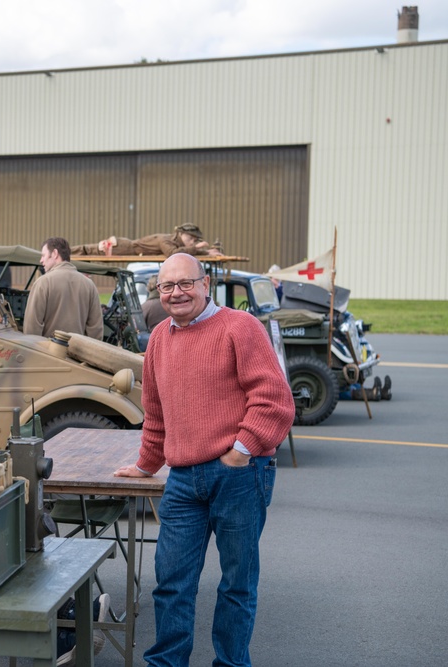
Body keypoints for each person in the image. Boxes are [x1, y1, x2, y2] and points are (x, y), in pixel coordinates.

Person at [114, 253, 294, 667]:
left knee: (236, 584)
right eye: (166, 287)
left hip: (240, 474)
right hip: (182, 479)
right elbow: (156, 411)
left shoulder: (239, 327)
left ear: (206, 283)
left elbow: (274, 401)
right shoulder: (159, 337)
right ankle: (167, 663)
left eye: (185, 283)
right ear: (157, 292)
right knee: (172, 582)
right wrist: (146, 463)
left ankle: (230, 663)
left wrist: (239, 451)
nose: (176, 293)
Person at [23, 237, 104, 340]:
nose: (41, 260)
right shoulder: (89, 285)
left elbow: (32, 327)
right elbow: (96, 329)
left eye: (43, 255)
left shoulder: (43, 283)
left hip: (47, 353)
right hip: (79, 354)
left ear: (55, 253)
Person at [71, 224, 223, 257]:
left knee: (87, 250)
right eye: (190, 238)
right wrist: (197, 249)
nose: (192, 242)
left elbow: (181, 251)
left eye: (194, 240)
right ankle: (66, 252)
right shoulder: (166, 241)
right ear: (181, 235)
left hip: (125, 246)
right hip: (123, 248)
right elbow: (172, 253)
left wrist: (208, 252)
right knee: (86, 250)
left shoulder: (172, 241)